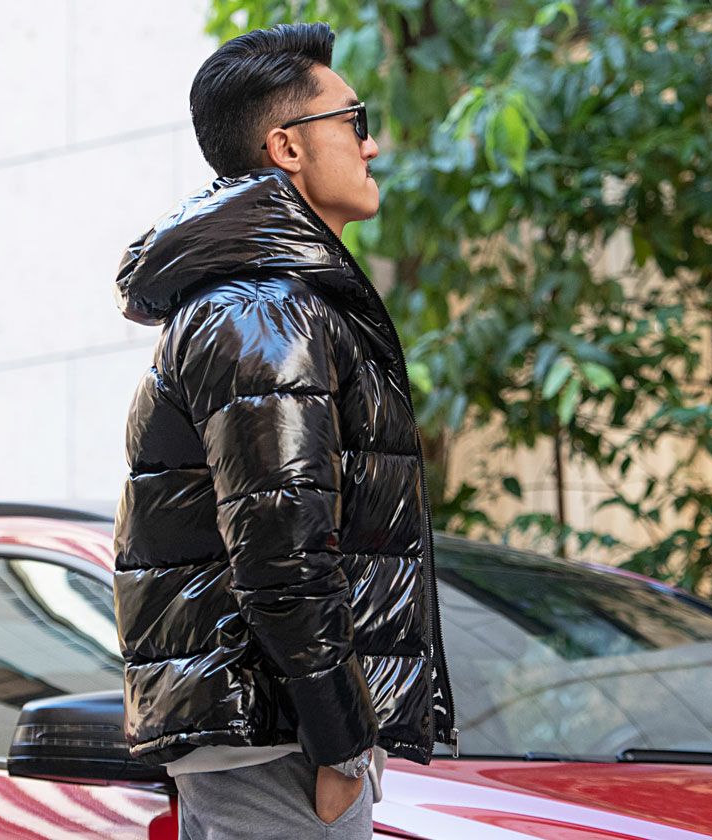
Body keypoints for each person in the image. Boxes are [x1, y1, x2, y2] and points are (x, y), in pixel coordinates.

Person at [111, 20, 457, 840]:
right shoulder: (263, 308)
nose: (372, 145)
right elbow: (282, 544)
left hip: (271, 728)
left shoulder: (274, 297)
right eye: (354, 121)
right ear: (288, 147)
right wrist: (340, 741)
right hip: (277, 740)